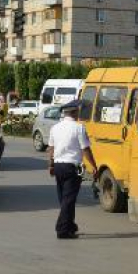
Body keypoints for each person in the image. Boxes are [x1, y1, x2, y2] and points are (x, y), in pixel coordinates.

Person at [46, 100, 97, 239]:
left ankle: (70, 226)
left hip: (58, 166)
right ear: (75, 113)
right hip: (73, 167)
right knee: (69, 199)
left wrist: (51, 165)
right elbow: (85, 149)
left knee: (64, 198)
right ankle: (62, 229)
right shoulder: (79, 128)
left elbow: (51, 148)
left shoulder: (55, 128)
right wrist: (94, 165)